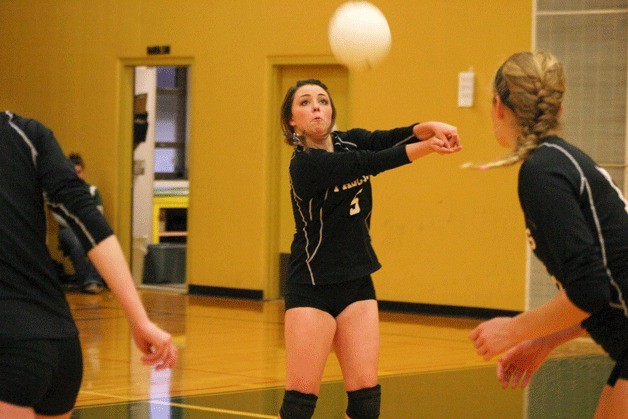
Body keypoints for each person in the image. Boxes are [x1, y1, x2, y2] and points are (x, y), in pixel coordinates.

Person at [278, 79, 462, 419]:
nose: (316, 106)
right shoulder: (304, 164)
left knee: (366, 402)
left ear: (331, 110)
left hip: (357, 282)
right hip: (312, 285)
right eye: (305, 102)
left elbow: (387, 139)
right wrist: (429, 147)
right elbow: (370, 162)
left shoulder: (349, 141)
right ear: (292, 121)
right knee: (299, 404)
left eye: (322, 100)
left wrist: (427, 127)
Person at [468, 51, 627, 418]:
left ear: (498, 105)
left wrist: (514, 330)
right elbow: (605, 290)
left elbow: (590, 290)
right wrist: (544, 341)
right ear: (559, 107)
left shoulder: (543, 172)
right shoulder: (558, 161)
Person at [0, 110, 178, 418]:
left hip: (10, 349)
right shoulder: (27, 132)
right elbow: (89, 221)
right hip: (62, 346)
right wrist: (140, 320)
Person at [52, 152, 106, 294]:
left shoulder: (93, 191)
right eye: (73, 172)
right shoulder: (59, 193)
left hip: (88, 228)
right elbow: (58, 217)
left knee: (101, 240)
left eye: (79, 172)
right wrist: (79, 225)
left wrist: (84, 226)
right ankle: (84, 280)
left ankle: (92, 280)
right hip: (68, 230)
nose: (76, 176)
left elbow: (98, 215)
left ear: (83, 171)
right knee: (76, 242)